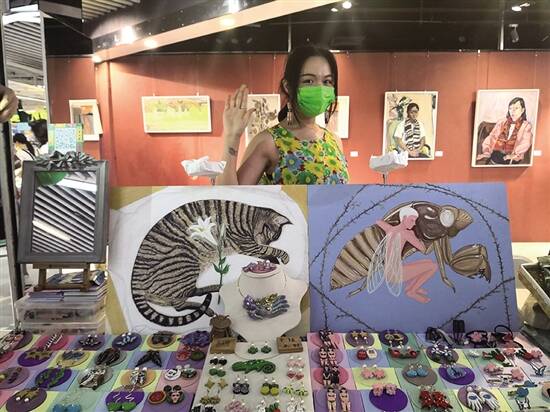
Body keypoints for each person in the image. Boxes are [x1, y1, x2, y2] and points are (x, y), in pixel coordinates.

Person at [216, 45, 349, 185]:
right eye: (308, 81)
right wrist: (231, 137)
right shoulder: (269, 142)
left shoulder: (334, 141)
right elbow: (231, 197)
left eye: (327, 81)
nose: (320, 88)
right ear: (288, 87)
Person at [476, 97, 533, 165]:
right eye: (510, 108)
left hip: (512, 157)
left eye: (516, 108)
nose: (512, 111)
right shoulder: (502, 122)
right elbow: (492, 137)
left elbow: (526, 142)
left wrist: (515, 154)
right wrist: (486, 151)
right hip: (495, 155)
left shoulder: (526, 126)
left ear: (522, 110)